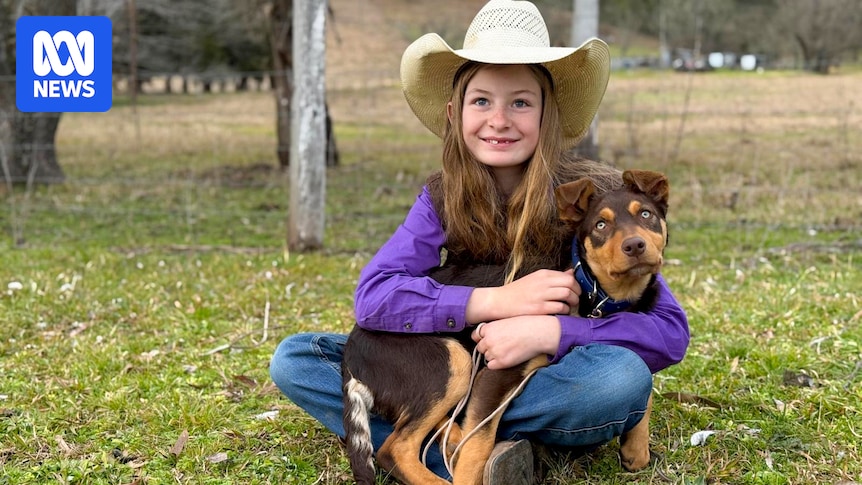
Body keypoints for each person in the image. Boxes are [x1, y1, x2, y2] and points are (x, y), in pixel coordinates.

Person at [270, 1, 690, 483]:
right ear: (455, 112)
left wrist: (552, 333)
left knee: (620, 379)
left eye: (521, 102)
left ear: (547, 113)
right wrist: (494, 301)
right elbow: (374, 297)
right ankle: (486, 446)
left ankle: (447, 436)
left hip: (540, 368)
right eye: (482, 101)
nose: (500, 119)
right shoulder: (441, 197)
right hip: (453, 359)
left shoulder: (593, 194)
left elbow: (668, 331)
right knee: (298, 360)